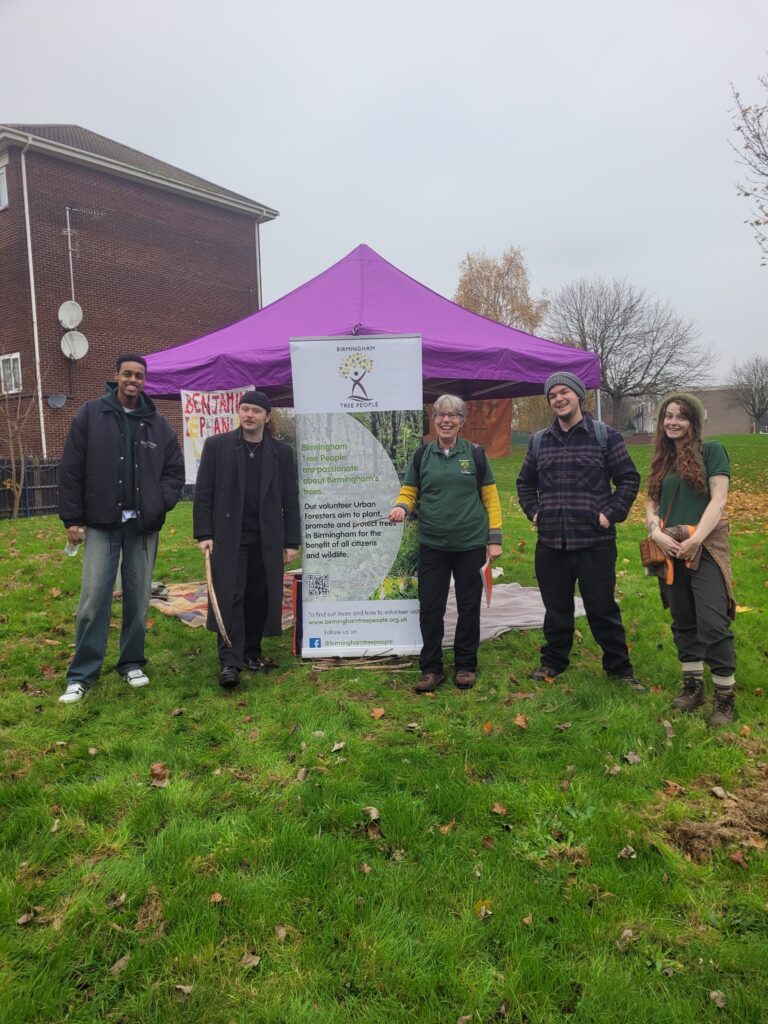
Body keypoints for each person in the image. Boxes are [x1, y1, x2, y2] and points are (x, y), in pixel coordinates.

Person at [57, 354, 185, 703]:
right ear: (116, 377)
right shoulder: (91, 415)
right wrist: (72, 518)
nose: (133, 380)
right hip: (101, 523)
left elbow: (175, 472)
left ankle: (131, 662)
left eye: (139, 376)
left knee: (138, 598)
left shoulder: (158, 425)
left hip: (142, 527)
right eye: (127, 374)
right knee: (92, 601)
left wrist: (159, 502)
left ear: (145, 380)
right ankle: (82, 673)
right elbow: (72, 467)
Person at [516, 371, 644, 691]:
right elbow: (524, 483)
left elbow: (628, 479)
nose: (558, 399)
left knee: (601, 608)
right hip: (551, 543)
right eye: (552, 395)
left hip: (594, 542)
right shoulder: (539, 441)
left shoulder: (605, 436)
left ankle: (619, 668)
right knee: (556, 608)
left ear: (578, 396)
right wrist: (533, 511)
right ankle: (553, 661)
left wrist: (611, 514)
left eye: (564, 393)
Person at [388, 394, 502, 692]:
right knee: (430, 607)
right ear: (434, 420)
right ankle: (431, 668)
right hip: (434, 544)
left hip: (470, 544)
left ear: (462, 422)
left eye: (453, 415)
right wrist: (402, 506)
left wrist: (494, 539)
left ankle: (466, 665)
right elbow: (410, 490)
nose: (446, 420)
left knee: (468, 607)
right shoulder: (422, 455)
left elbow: (490, 497)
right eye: (440, 415)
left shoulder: (475, 454)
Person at [193, 390, 300, 688]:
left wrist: (291, 541)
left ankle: (252, 652)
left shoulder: (280, 453)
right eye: (245, 409)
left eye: (255, 410)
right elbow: (204, 493)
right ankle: (230, 661)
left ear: (267, 417)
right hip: (229, 537)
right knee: (231, 595)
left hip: (267, 537)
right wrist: (204, 533)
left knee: (259, 596)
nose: (249, 415)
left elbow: (290, 498)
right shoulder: (218, 446)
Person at [645, 393, 736, 725]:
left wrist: (697, 539)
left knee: (713, 622)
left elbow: (719, 500)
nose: (673, 421)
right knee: (683, 619)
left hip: (705, 546)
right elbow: (651, 503)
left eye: (681, 416)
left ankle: (725, 696)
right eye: (668, 415)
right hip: (670, 548)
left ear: (694, 421)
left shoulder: (711, 451)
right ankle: (693, 686)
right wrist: (655, 532)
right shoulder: (662, 459)